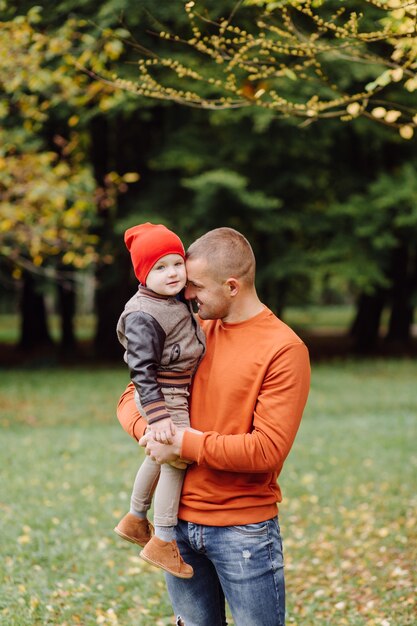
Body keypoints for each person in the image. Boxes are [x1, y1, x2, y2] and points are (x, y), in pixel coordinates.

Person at [117, 227, 310, 626]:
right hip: (177, 529)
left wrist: (183, 444)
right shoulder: (192, 330)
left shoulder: (283, 349)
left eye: (196, 286)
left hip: (243, 532)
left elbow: (266, 451)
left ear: (233, 286)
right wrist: (155, 435)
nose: (186, 295)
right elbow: (129, 399)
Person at [114, 222, 205, 579]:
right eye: (159, 267)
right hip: (163, 395)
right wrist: (158, 416)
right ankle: (164, 540)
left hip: (172, 392)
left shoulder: (171, 299)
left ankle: (135, 519)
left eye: (177, 263)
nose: (172, 273)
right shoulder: (142, 314)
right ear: (142, 273)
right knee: (176, 459)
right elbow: (141, 369)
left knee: (159, 452)